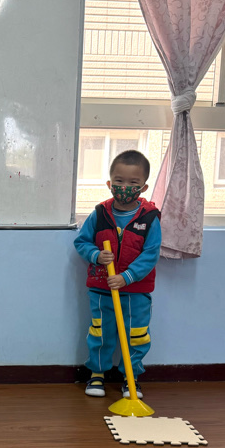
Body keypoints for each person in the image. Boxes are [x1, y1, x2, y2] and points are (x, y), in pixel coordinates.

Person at [73, 149, 161, 400]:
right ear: (110, 183)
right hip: (102, 289)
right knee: (100, 332)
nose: (125, 187)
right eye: (119, 181)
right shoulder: (100, 214)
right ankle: (97, 374)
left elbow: (151, 254)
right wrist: (96, 255)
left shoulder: (149, 218)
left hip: (136, 292)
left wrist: (127, 277)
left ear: (143, 187)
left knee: (136, 335)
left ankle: (130, 377)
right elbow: (81, 242)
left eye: (133, 183)